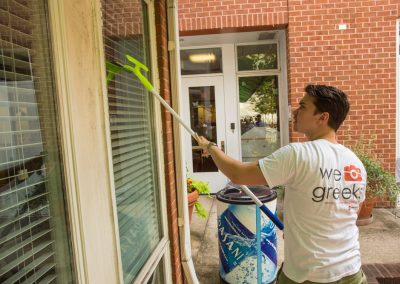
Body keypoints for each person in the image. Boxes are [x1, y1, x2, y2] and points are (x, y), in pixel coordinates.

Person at [195, 84, 368, 284]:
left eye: (303, 106)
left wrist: (211, 147)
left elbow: (238, 174)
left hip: (307, 276)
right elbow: (349, 212)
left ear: (323, 117)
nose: (295, 111)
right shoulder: (355, 163)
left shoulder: (298, 154)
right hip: (352, 272)